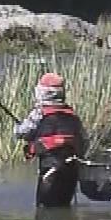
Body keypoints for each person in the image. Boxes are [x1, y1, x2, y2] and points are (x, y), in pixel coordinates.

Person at [14, 72, 90, 207]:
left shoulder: (39, 112)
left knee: (44, 210)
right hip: (72, 170)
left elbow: (21, 133)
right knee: (63, 207)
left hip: (50, 169)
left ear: (42, 92)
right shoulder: (73, 115)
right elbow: (84, 141)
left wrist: (19, 128)